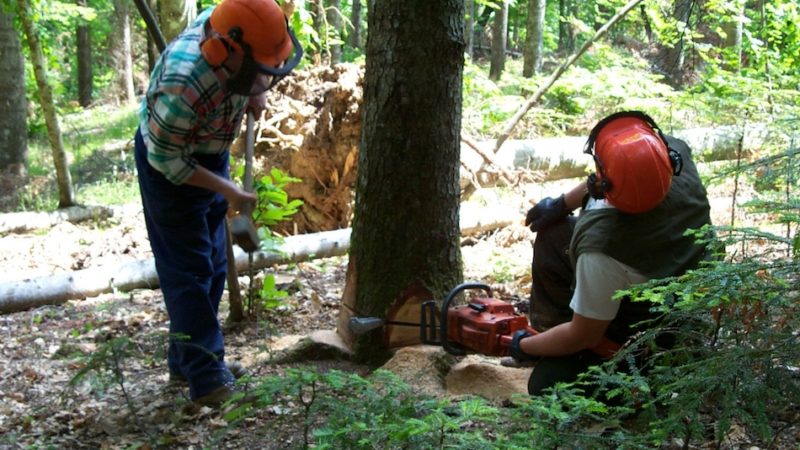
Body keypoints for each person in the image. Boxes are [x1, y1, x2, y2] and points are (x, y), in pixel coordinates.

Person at [133, 0, 302, 406]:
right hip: (168, 167)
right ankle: (207, 379)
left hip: (211, 148)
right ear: (230, 57)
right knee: (189, 271)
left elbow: (249, 75)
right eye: (260, 70)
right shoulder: (184, 80)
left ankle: (188, 360)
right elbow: (167, 160)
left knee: (213, 265)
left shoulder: (237, 28)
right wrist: (226, 189)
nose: (266, 77)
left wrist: (253, 93)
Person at [508, 111, 713, 396]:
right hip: (667, 262)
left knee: (546, 385)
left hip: (651, 320)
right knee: (554, 234)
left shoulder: (601, 248)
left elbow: (584, 333)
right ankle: (551, 332)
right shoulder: (673, 155)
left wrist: (521, 345)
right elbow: (617, 176)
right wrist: (562, 203)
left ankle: (631, 368)